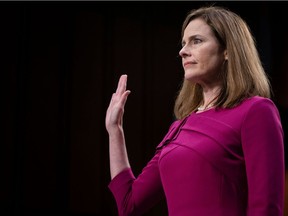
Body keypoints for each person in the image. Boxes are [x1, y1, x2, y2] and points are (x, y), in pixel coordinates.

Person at [105, 5, 284, 216]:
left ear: (227, 50)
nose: (182, 51)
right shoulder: (179, 127)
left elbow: (266, 209)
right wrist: (114, 130)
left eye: (196, 41)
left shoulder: (256, 111)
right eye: (183, 43)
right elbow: (129, 204)